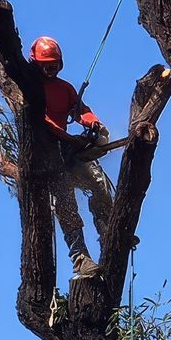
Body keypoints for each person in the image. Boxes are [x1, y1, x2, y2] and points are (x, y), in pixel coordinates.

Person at [28, 35, 113, 274]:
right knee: (66, 204)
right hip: (45, 153)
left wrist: (93, 122)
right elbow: (43, 122)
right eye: (46, 65)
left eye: (54, 65)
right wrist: (71, 139)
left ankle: (110, 230)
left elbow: (79, 110)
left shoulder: (64, 88)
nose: (50, 69)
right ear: (36, 63)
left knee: (98, 182)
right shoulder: (29, 89)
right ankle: (80, 257)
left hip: (66, 148)